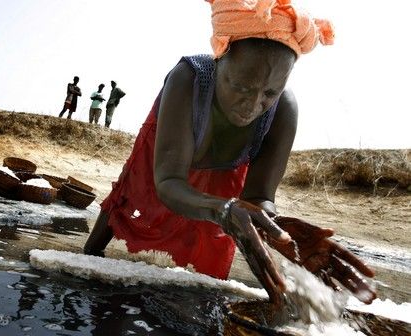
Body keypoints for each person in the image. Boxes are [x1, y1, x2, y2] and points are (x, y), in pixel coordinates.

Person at [84, 0, 376, 306]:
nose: (253, 106)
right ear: (220, 57)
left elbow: (259, 197)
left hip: (225, 175)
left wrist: (278, 229)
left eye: (269, 94)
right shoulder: (189, 78)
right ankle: (88, 258)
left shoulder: (283, 110)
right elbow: (168, 181)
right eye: (242, 87)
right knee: (132, 192)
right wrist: (222, 210)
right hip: (167, 156)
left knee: (214, 257)